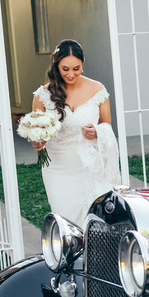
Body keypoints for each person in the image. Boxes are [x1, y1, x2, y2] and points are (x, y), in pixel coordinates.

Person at [30, 39, 120, 224]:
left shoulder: (98, 90)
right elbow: (36, 132)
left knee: (94, 219)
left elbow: (107, 125)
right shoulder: (42, 95)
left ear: (82, 64)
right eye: (65, 69)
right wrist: (38, 141)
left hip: (89, 167)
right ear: (56, 64)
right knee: (66, 222)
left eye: (76, 68)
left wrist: (96, 132)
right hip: (58, 169)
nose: (71, 74)